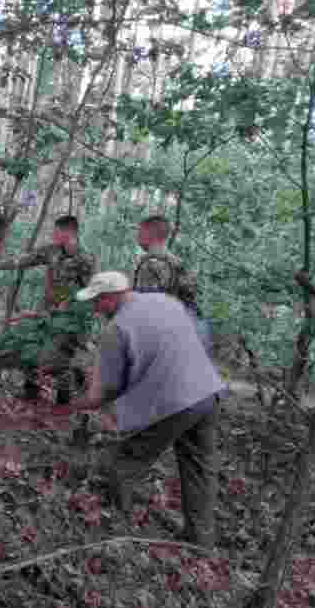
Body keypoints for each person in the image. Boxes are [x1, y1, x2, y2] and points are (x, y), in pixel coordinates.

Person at [49, 271, 227, 548]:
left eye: (97, 302)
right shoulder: (165, 301)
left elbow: (101, 394)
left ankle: (114, 531)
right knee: (199, 469)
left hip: (173, 403)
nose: (95, 310)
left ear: (109, 297)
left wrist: (70, 406)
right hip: (207, 392)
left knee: (123, 464)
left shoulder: (116, 330)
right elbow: (196, 337)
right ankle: (200, 542)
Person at [0, 214, 97, 402]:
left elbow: (91, 293)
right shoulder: (51, 251)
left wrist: (78, 319)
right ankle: (31, 391)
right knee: (30, 346)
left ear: (69, 232)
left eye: (57, 231)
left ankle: (63, 402)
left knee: (56, 360)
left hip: (69, 319)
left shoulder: (86, 258)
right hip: (46, 313)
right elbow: (26, 259)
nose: (53, 234)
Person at [132, 214, 211, 353]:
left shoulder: (149, 263)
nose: (136, 236)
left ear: (149, 233)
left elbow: (147, 309)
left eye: (139, 231)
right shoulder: (176, 262)